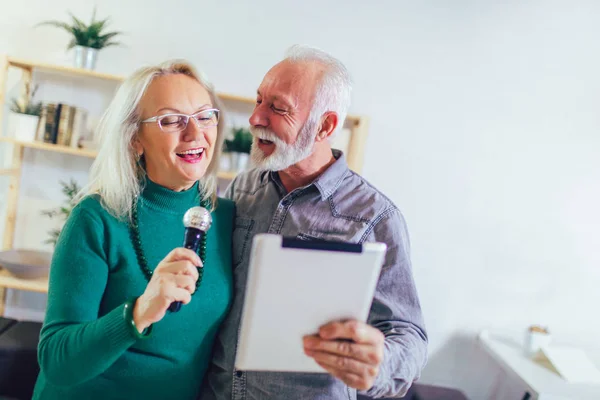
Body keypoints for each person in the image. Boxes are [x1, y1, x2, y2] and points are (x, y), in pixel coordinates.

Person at [201, 45, 428, 400]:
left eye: (278, 108)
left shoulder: (376, 216)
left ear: (325, 126)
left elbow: (408, 334)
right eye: (259, 101)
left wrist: (379, 362)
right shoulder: (243, 187)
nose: (256, 118)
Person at [32, 60, 234, 400]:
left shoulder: (229, 218)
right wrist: (140, 311)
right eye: (171, 120)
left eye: (204, 116)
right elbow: (57, 360)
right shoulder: (96, 218)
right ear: (134, 139)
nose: (195, 133)